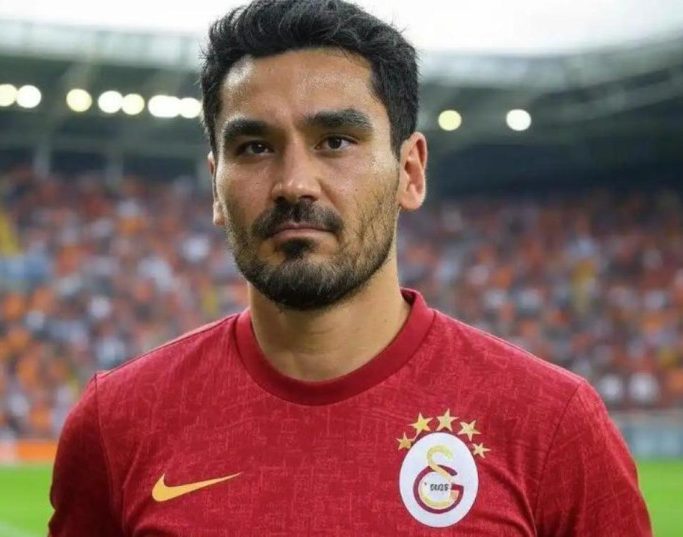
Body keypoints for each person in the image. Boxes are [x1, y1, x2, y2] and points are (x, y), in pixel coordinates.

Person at [48, 0, 652, 534]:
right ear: (215, 188)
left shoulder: (551, 425)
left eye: (335, 140)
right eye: (254, 147)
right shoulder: (117, 423)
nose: (294, 183)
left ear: (410, 172)